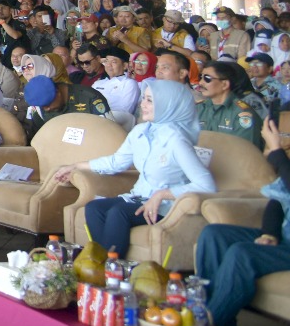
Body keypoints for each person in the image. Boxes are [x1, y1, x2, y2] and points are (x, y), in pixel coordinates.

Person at [52, 79, 214, 256]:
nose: (142, 104)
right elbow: (116, 162)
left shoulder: (177, 140)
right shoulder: (140, 132)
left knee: (118, 213)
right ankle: (98, 263)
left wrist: (163, 194)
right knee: (94, 208)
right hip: (138, 198)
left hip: (165, 207)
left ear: (169, 105)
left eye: (150, 101)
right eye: (143, 98)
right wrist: (76, 166)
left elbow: (206, 185)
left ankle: (109, 267)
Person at [195, 118, 290, 326]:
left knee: (242, 253)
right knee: (214, 234)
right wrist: (270, 233)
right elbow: (278, 200)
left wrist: (277, 154)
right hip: (285, 238)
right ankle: (219, 320)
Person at [197, 59, 264, 146]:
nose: (200, 82)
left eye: (207, 78)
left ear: (225, 84)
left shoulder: (242, 114)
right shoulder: (199, 108)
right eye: (200, 77)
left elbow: (246, 152)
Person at [92, 47, 140, 128]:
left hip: (114, 125)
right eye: (106, 61)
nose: (108, 65)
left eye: (113, 62)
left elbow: (125, 110)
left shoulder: (129, 83)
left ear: (124, 66)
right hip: (93, 120)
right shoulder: (98, 83)